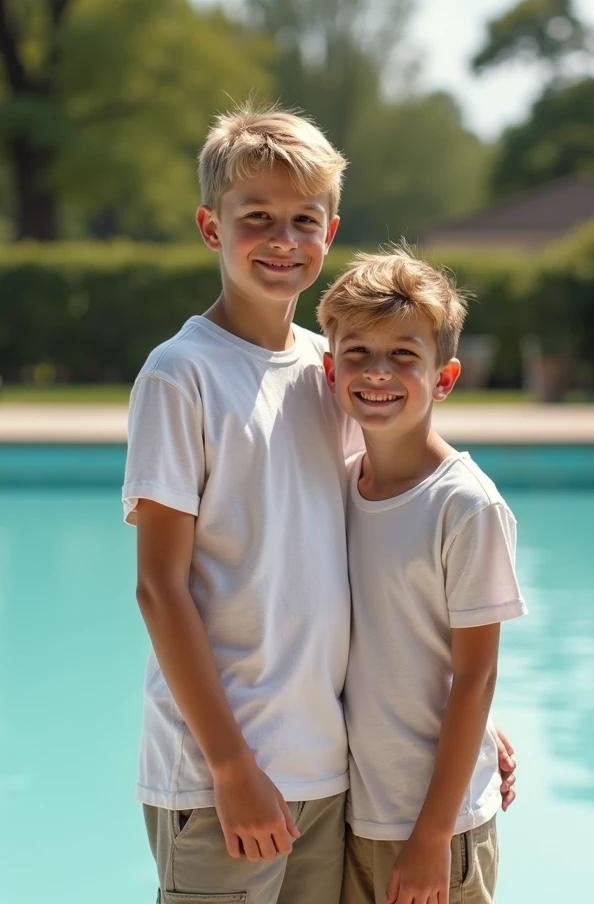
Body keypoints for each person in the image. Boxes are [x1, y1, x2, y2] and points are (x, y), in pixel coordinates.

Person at [123, 104, 518, 904]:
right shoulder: (181, 376)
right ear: (210, 227)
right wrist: (232, 769)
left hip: (331, 777)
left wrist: (468, 725)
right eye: (256, 217)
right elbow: (159, 589)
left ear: (329, 234)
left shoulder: (328, 370)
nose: (282, 239)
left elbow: (368, 568)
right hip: (218, 779)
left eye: (304, 220)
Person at [317, 247, 527, 904]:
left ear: (444, 377)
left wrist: (433, 836)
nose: (378, 372)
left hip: (438, 826)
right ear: (329, 369)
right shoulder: (342, 486)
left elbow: (476, 674)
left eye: (404, 355)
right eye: (358, 354)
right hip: (357, 812)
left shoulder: (465, 506)